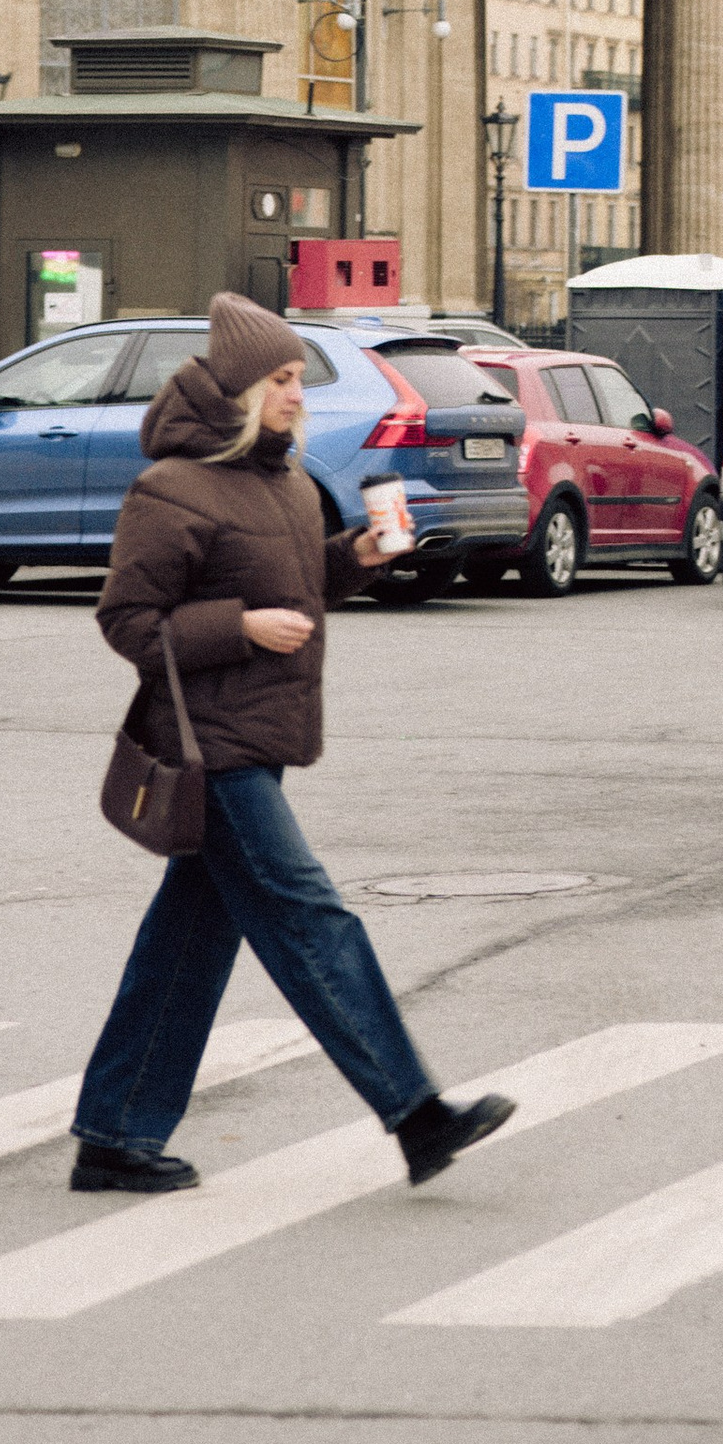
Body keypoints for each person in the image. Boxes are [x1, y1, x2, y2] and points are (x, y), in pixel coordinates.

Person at [70, 289, 514, 1196]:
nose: (297, 395)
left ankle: (113, 1134)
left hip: (256, 739)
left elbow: (296, 592)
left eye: (297, 379)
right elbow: (127, 620)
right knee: (314, 920)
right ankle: (416, 1114)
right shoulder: (171, 489)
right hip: (210, 748)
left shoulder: (280, 484)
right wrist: (239, 627)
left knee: (186, 946)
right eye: (280, 380)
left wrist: (355, 560)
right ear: (236, 390)